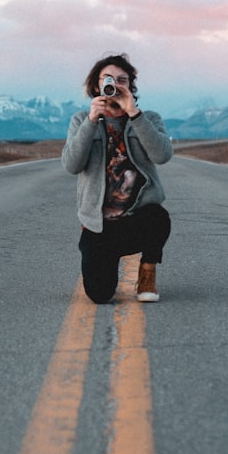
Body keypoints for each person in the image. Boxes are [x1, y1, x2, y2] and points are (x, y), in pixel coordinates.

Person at [61, 53, 173, 304]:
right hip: (99, 227)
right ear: (96, 85)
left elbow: (162, 155)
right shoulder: (80, 120)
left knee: (159, 217)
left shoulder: (148, 119)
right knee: (99, 295)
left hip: (137, 220)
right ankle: (102, 259)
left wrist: (134, 113)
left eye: (123, 80)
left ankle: (147, 272)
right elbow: (71, 165)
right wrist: (91, 121)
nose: (116, 85)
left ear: (131, 86)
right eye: (109, 79)